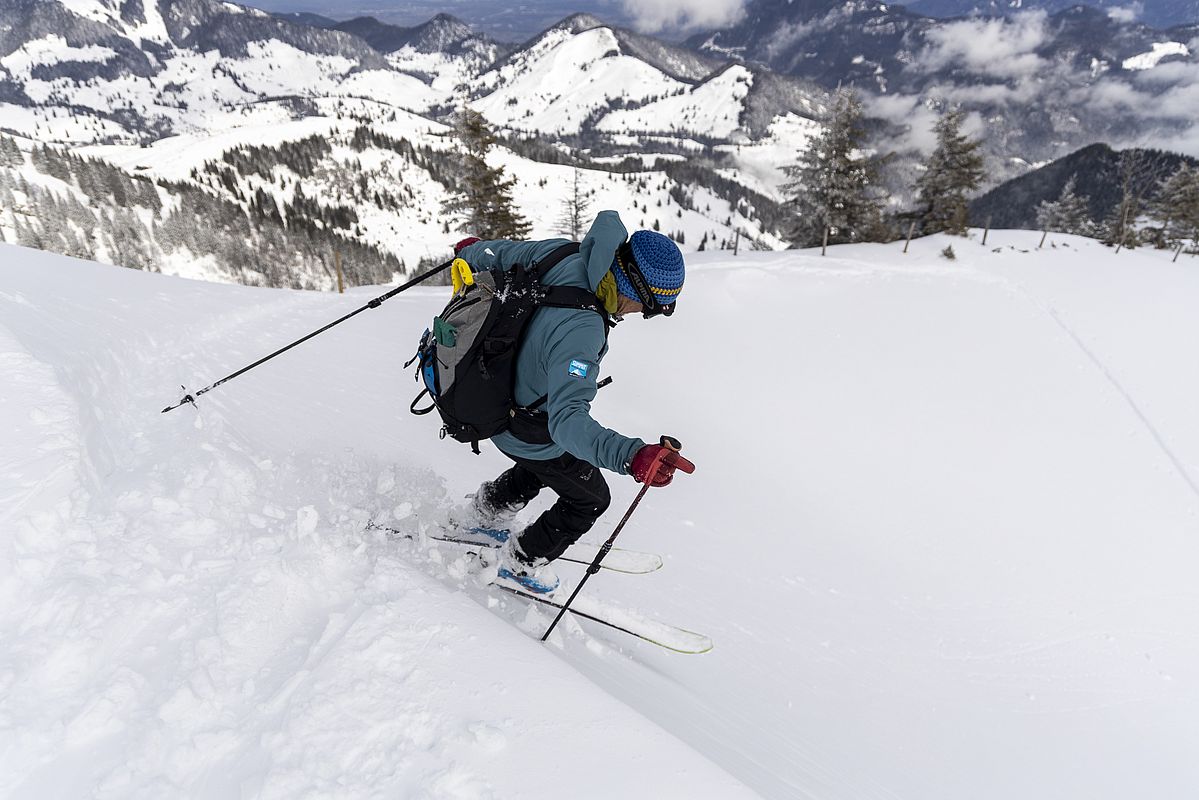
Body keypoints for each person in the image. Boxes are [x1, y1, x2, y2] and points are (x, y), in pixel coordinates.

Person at [450, 210, 691, 593]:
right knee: (591, 498)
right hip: (521, 425)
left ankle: (487, 511)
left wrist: (472, 251)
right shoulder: (583, 330)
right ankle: (521, 561)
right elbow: (566, 424)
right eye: (650, 309)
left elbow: (502, 253)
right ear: (636, 290)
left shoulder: (567, 254)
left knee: (553, 465)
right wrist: (632, 456)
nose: (642, 316)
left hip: (495, 395)